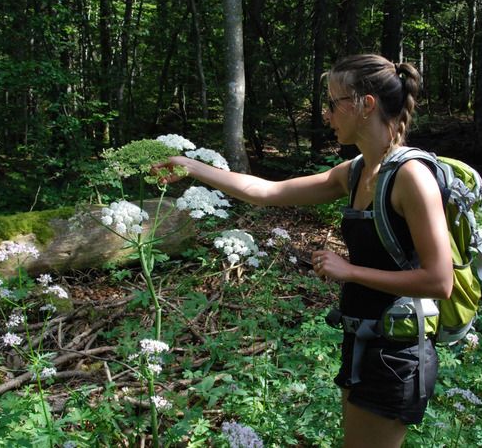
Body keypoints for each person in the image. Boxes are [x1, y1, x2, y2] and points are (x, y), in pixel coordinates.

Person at [154, 54, 453, 447]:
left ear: (366, 105)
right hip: (362, 338)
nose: (327, 114)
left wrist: (350, 271)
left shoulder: (412, 176)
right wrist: (189, 167)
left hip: (398, 351)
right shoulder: (356, 170)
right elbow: (267, 192)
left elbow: (439, 280)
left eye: (333, 102)